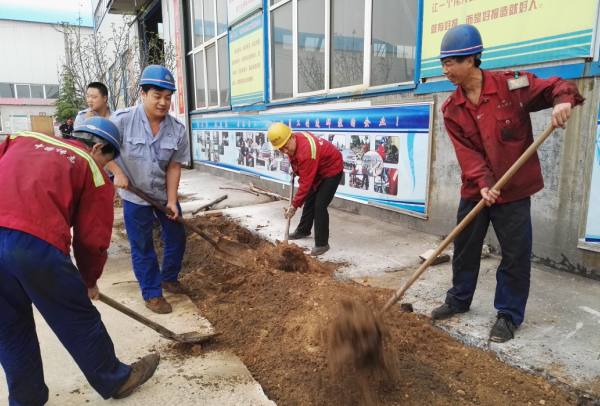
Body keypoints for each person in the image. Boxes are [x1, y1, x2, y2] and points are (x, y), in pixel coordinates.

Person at [431, 24, 584, 343]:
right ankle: (459, 299)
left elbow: (555, 86)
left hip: (513, 192)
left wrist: (562, 101)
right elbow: (467, 152)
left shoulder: (511, 84)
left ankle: (508, 315)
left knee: (515, 254)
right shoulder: (451, 109)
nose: (445, 70)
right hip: (476, 190)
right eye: (443, 63)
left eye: (450, 63)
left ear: (470, 60)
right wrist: (484, 182)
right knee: (465, 248)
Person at [0, 117, 160, 404]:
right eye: (106, 161)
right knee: (77, 317)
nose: (104, 169)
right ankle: (117, 379)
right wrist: (87, 281)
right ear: (97, 148)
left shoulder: (19, 139)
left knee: (8, 326)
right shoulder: (90, 166)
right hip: (34, 244)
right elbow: (92, 238)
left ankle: (27, 398)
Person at [106, 65, 189, 315]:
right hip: (135, 196)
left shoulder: (177, 130)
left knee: (177, 238)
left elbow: (174, 167)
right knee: (142, 246)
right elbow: (101, 149)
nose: (163, 103)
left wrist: (172, 201)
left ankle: (168, 277)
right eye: (157, 95)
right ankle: (152, 293)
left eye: (168, 97)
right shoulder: (121, 121)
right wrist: (117, 172)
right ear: (143, 94)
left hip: (163, 196)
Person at [267, 123, 343, 256]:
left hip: (331, 169)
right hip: (317, 168)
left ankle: (322, 244)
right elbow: (297, 160)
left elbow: (305, 183)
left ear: (292, 137)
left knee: (319, 205)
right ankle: (303, 230)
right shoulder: (293, 143)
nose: (284, 151)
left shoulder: (306, 152)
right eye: (280, 149)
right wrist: (295, 168)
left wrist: (294, 206)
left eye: (285, 147)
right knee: (310, 200)